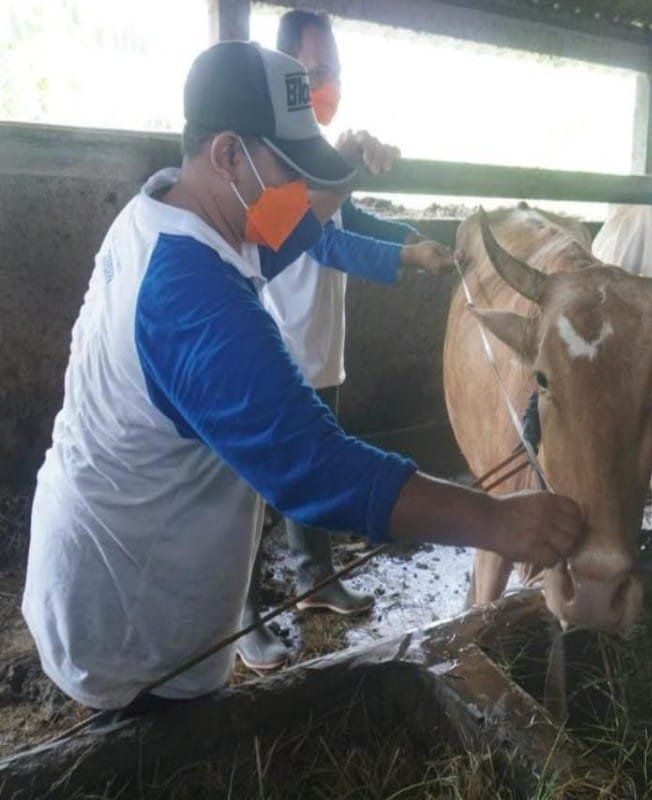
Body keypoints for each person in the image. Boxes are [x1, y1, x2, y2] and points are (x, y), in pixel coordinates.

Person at [20, 41, 582, 716]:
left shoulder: (169, 210)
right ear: (227, 154)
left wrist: (338, 176)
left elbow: (283, 231)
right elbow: (315, 469)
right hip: (130, 625)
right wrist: (499, 523)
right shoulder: (192, 296)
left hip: (116, 556)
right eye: (288, 166)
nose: (299, 187)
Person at [234, 9, 456, 673]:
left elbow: (348, 217)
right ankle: (238, 611)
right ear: (283, 78)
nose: (326, 84)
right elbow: (311, 230)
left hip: (320, 339)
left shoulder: (320, 152)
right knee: (251, 490)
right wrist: (353, 173)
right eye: (313, 72)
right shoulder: (258, 151)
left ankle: (314, 579)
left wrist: (411, 246)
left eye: (334, 72)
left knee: (316, 464)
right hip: (272, 342)